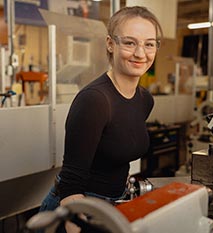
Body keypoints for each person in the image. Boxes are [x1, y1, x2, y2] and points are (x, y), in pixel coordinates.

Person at [38, 6, 163, 232]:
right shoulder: (94, 100)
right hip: (77, 210)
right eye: (129, 42)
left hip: (112, 205)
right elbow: (71, 185)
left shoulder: (145, 99)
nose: (140, 53)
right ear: (110, 44)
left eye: (149, 43)